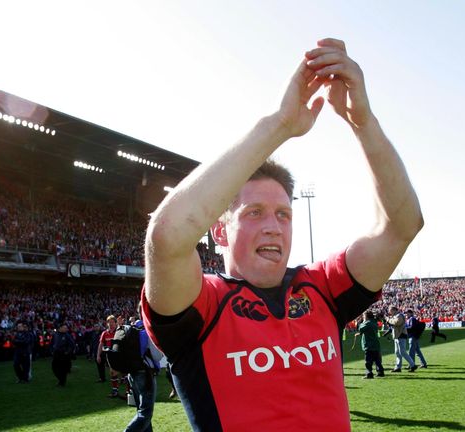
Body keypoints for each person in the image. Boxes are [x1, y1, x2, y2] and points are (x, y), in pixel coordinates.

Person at [142, 38, 423, 431]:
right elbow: (168, 235)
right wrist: (279, 125)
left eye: (283, 214)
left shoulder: (322, 288)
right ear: (220, 232)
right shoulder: (201, 305)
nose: (273, 225)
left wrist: (363, 121)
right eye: (254, 213)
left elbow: (402, 226)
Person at [123, 317, 163, 432]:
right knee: (145, 413)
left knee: (141, 411)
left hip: (132, 373)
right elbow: (157, 356)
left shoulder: (131, 328)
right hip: (145, 374)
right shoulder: (148, 330)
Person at [97, 315, 123, 398]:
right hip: (110, 357)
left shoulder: (119, 331)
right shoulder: (104, 333)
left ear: (115, 323)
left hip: (120, 355)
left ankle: (128, 393)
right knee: (112, 373)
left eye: (112, 322)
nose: (110, 324)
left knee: (124, 374)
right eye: (109, 322)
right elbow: (100, 344)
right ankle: (115, 391)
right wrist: (98, 355)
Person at [385, 306, 416, 372]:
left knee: (402, 352)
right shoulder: (396, 316)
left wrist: (388, 319)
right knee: (397, 352)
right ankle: (398, 367)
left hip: (401, 335)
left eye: (390, 310)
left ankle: (413, 365)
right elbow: (393, 324)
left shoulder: (399, 315)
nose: (389, 312)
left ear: (394, 310)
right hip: (397, 336)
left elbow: (396, 323)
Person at [355, 311, 385, 379]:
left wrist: (361, 322)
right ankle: (380, 372)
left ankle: (369, 374)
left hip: (369, 344)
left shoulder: (367, 323)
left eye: (364, 316)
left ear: (367, 316)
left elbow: (360, 328)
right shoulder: (374, 322)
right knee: (377, 360)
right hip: (375, 344)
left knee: (368, 361)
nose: (363, 317)